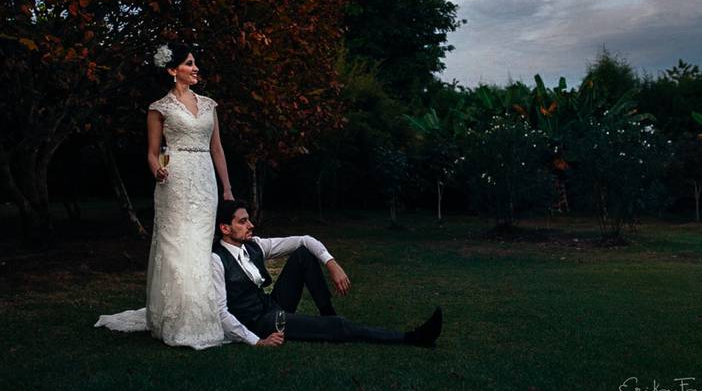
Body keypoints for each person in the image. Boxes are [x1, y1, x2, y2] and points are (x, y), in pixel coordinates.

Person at [95, 42, 234, 349]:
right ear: (173, 71)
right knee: (176, 249)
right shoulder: (160, 108)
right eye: (189, 63)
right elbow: (152, 152)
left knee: (198, 248)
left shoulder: (209, 105)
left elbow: (217, 149)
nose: (195, 68)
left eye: (195, 63)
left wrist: (226, 188)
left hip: (205, 181)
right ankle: (176, 319)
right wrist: (156, 169)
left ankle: (201, 316)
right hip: (175, 181)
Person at [213, 199, 443, 347]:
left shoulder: (254, 245)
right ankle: (412, 338)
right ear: (225, 228)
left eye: (249, 220)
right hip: (260, 323)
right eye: (243, 222)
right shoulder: (217, 260)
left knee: (303, 254)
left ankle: (327, 313)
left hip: (272, 306)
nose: (251, 225)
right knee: (338, 326)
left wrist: (331, 263)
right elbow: (222, 313)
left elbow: (304, 240)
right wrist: (257, 342)